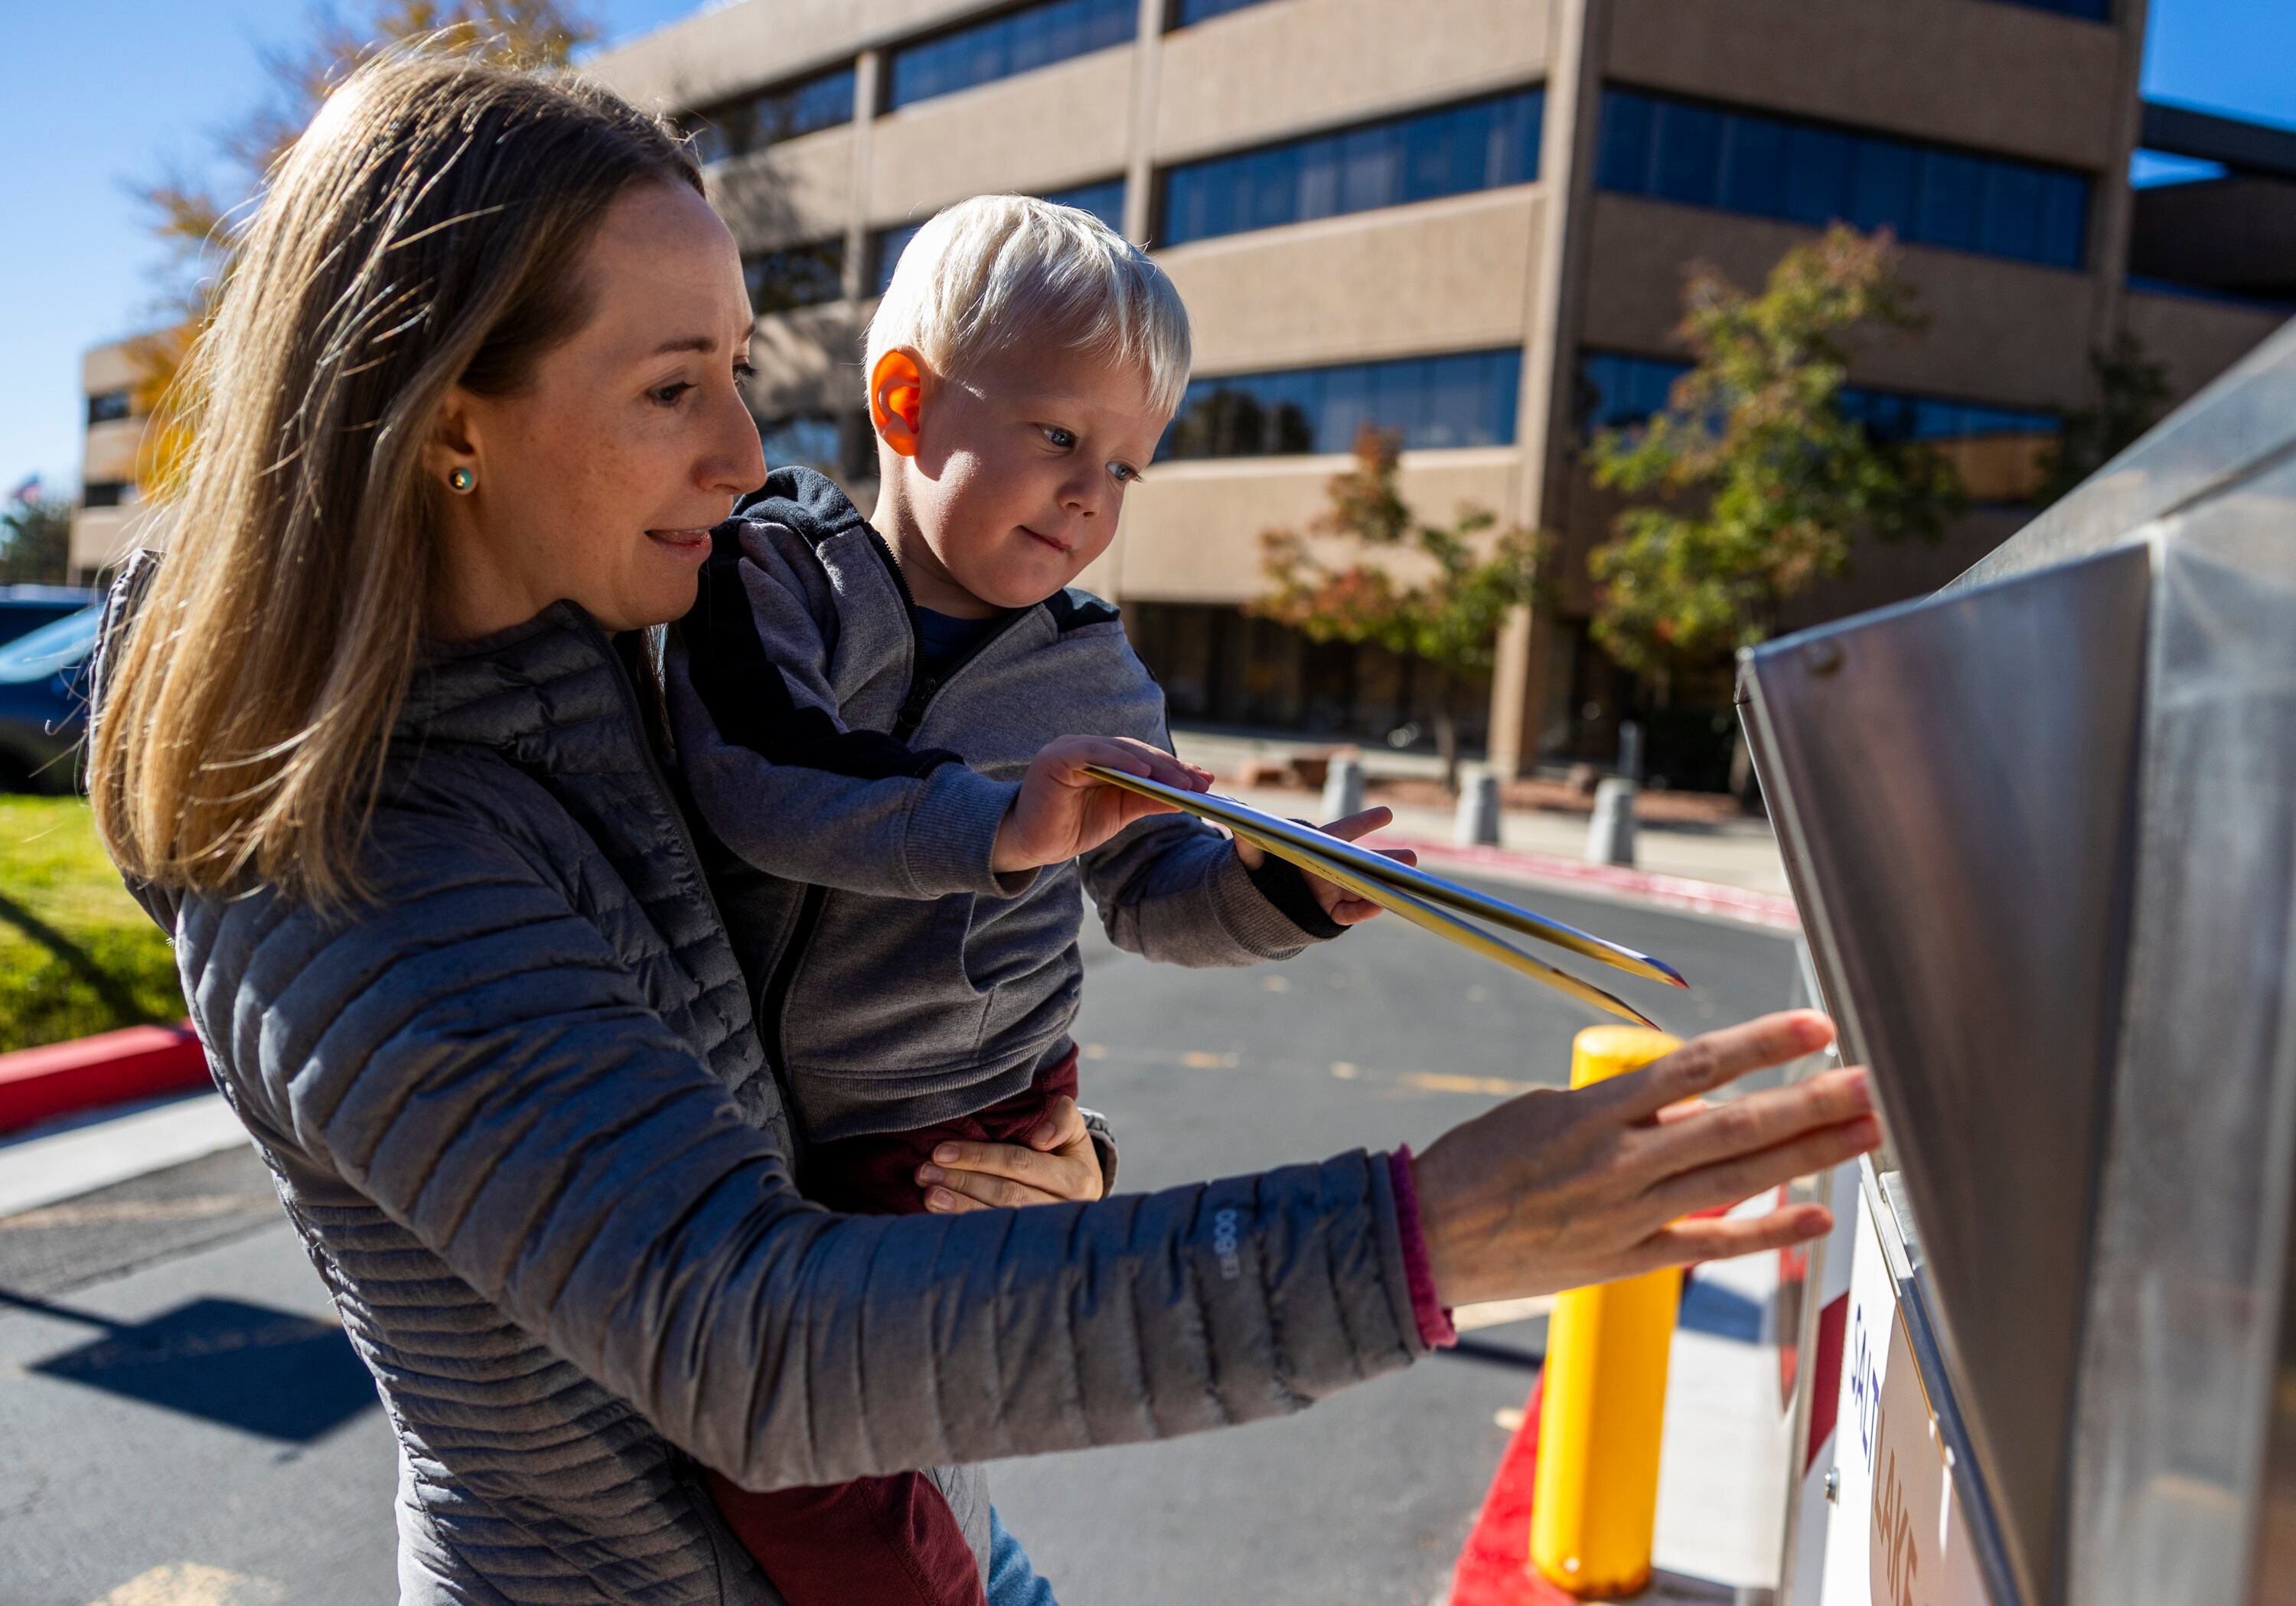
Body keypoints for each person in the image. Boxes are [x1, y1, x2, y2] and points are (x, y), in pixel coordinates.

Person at [86, 52, 1881, 1606]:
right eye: (668, 386)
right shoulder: (344, 850)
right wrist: (1426, 1239)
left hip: (928, 1510)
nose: (741, 451)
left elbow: (811, 1027)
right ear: (445, 415)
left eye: (733, 369)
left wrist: (1052, 1159)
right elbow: (744, 1331)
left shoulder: (617, 638)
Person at [665, 193, 1414, 1606]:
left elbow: (1150, 893)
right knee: (808, 1401)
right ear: (903, 402)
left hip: (961, 1116)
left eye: (1130, 468)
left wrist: (1275, 893)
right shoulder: (770, 576)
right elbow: (763, 775)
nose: (1092, 496)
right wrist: (1001, 823)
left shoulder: (1098, 675)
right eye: (1062, 437)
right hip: (771, 1119)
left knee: (791, 1434)